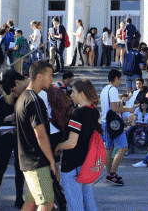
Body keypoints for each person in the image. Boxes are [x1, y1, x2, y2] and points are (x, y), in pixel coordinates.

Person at [14, 61, 59, 211]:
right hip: (36, 161)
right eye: (50, 76)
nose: (52, 80)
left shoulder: (22, 98)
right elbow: (40, 135)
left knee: (31, 202)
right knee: (46, 202)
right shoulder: (34, 100)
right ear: (39, 76)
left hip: (28, 160)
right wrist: (52, 161)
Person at [54, 79, 103, 211]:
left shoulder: (77, 114)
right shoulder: (94, 112)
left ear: (81, 94)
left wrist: (57, 146)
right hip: (86, 163)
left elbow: (71, 143)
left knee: (74, 203)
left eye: (73, 92)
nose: (70, 95)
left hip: (72, 165)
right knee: (88, 199)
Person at [0, 70, 27, 211]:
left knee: (19, 168)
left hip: (20, 137)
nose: (13, 92)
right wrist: (6, 119)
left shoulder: (25, 97)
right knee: (1, 167)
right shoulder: (4, 100)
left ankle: (19, 198)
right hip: (5, 137)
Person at [101, 69, 134, 186]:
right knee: (124, 148)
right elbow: (115, 108)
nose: (120, 82)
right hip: (113, 123)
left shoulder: (105, 89)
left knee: (108, 149)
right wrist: (128, 109)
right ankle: (112, 174)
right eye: (120, 79)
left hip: (105, 121)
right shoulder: (113, 89)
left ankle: (109, 173)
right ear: (116, 78)